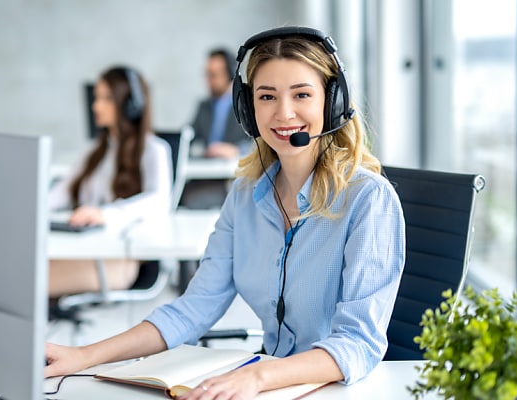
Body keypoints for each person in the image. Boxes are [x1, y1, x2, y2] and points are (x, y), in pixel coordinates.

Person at [45, 27, 405, 399]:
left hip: (340, 389)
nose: (283, 113)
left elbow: (357, 343)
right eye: (267, 96)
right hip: (273, 383)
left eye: (302, 94)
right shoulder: (245, 195)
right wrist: (84, 356)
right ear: (249, 110)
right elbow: (193, 308)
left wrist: (258, 377)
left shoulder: (368, 200)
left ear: (332, 103)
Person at [47, 66, 172, 298]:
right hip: (83, 250)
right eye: (96, 98)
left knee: (30, 279)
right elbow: (60, 193)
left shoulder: (154, 150)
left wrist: (106, 214)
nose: (96, 106)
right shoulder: (95, 152)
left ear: (129, 105)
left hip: (119, 259)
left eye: (106, 99)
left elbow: (159, 201)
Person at [179, 48, 251, 209]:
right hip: (205, 175)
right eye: (207, 74)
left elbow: (261, 142)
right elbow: (188, 136)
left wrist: (236, 150)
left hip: (232, 177)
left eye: (213, 75)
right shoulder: (203, 106)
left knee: (192, 200)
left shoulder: (245, 105)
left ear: (230, 74)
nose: (208, 80)